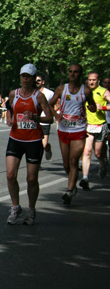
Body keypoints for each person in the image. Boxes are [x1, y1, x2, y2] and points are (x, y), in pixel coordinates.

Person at [4, 64, 55, 225]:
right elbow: (9, 108)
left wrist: (36, 117)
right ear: (20, 77)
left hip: (33, 141)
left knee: (31, 179)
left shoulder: (38, 97)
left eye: (28, 76)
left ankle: (31, 209)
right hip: (16, 139)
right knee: (10, 175)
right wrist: (9, 118)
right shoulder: (14, 94)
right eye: (23, 76)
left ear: (34, 79)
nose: (25, 79)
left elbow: (50, 118)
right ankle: (15, 207)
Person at [48, 64, 96, 205]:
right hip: (63, 129)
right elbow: (50, 104)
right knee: (66, 163)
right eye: (70, 72)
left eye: (75, 72)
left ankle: (69, 191)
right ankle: (72, 183)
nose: (72, 74)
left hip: (79, 130)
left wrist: (92, 108)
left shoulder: (85, 91)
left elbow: (92, 107)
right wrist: (56, 115)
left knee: (74, 160)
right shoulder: (61, 89)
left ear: (80, 74)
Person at [79, 71, 110, 189]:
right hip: (88, 125)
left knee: (97, 153)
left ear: (98, 80)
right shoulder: (84, 91)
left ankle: (102, 164)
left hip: (100, 125)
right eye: (90, 80)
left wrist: (102, 107)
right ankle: (85, 178)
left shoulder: (103, 91)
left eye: (94, 80)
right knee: (86, 151)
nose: (91, 82)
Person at [36, 75, 56, 160]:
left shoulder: (49, 93)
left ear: (43, 82)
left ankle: (47, 148)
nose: (37, 82)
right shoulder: (31, 92)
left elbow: (56, 104)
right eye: (35, 80)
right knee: (35, 144)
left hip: (45, 120)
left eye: (39, 80)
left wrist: (55, 113)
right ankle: (37, 163)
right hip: (34, 120)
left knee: (43, 144)